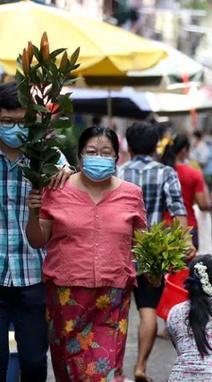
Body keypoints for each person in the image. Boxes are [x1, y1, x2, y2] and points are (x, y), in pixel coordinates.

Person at [25, 127, 147, 381]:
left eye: (106, 152)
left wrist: (154, 267)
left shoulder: (131, 194)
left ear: (117, 158)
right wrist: (33, 213)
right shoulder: (56, 189)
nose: (98, 157)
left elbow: (142, 244)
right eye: (92, 151)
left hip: (112, 296)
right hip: (65, 295)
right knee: (68, 368)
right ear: (80, 156)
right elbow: (38, 240)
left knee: (103, 370)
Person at [0, 82, 72, 382]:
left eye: (21, 121)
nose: (14, 128)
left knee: (32, 360)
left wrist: (68, 173)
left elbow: (76, 191)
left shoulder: (47, 157)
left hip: (34, 274)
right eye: (6, 121)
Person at [118, 122, 195, 382]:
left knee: (114, 313)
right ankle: (140, 366)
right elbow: (178, 212)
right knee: (147, 310)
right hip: (152, 255)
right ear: (155, 146)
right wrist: (185, 244)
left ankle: (114, 368)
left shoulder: (117, 172)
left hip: (117, 252)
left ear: (127, 144)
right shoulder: (165, 172)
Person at [160, 133, 212, 247]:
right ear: (184, 150)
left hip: (164, 227)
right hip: (188, 227)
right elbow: (203, 205)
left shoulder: (161, 172)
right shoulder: (194, 173)